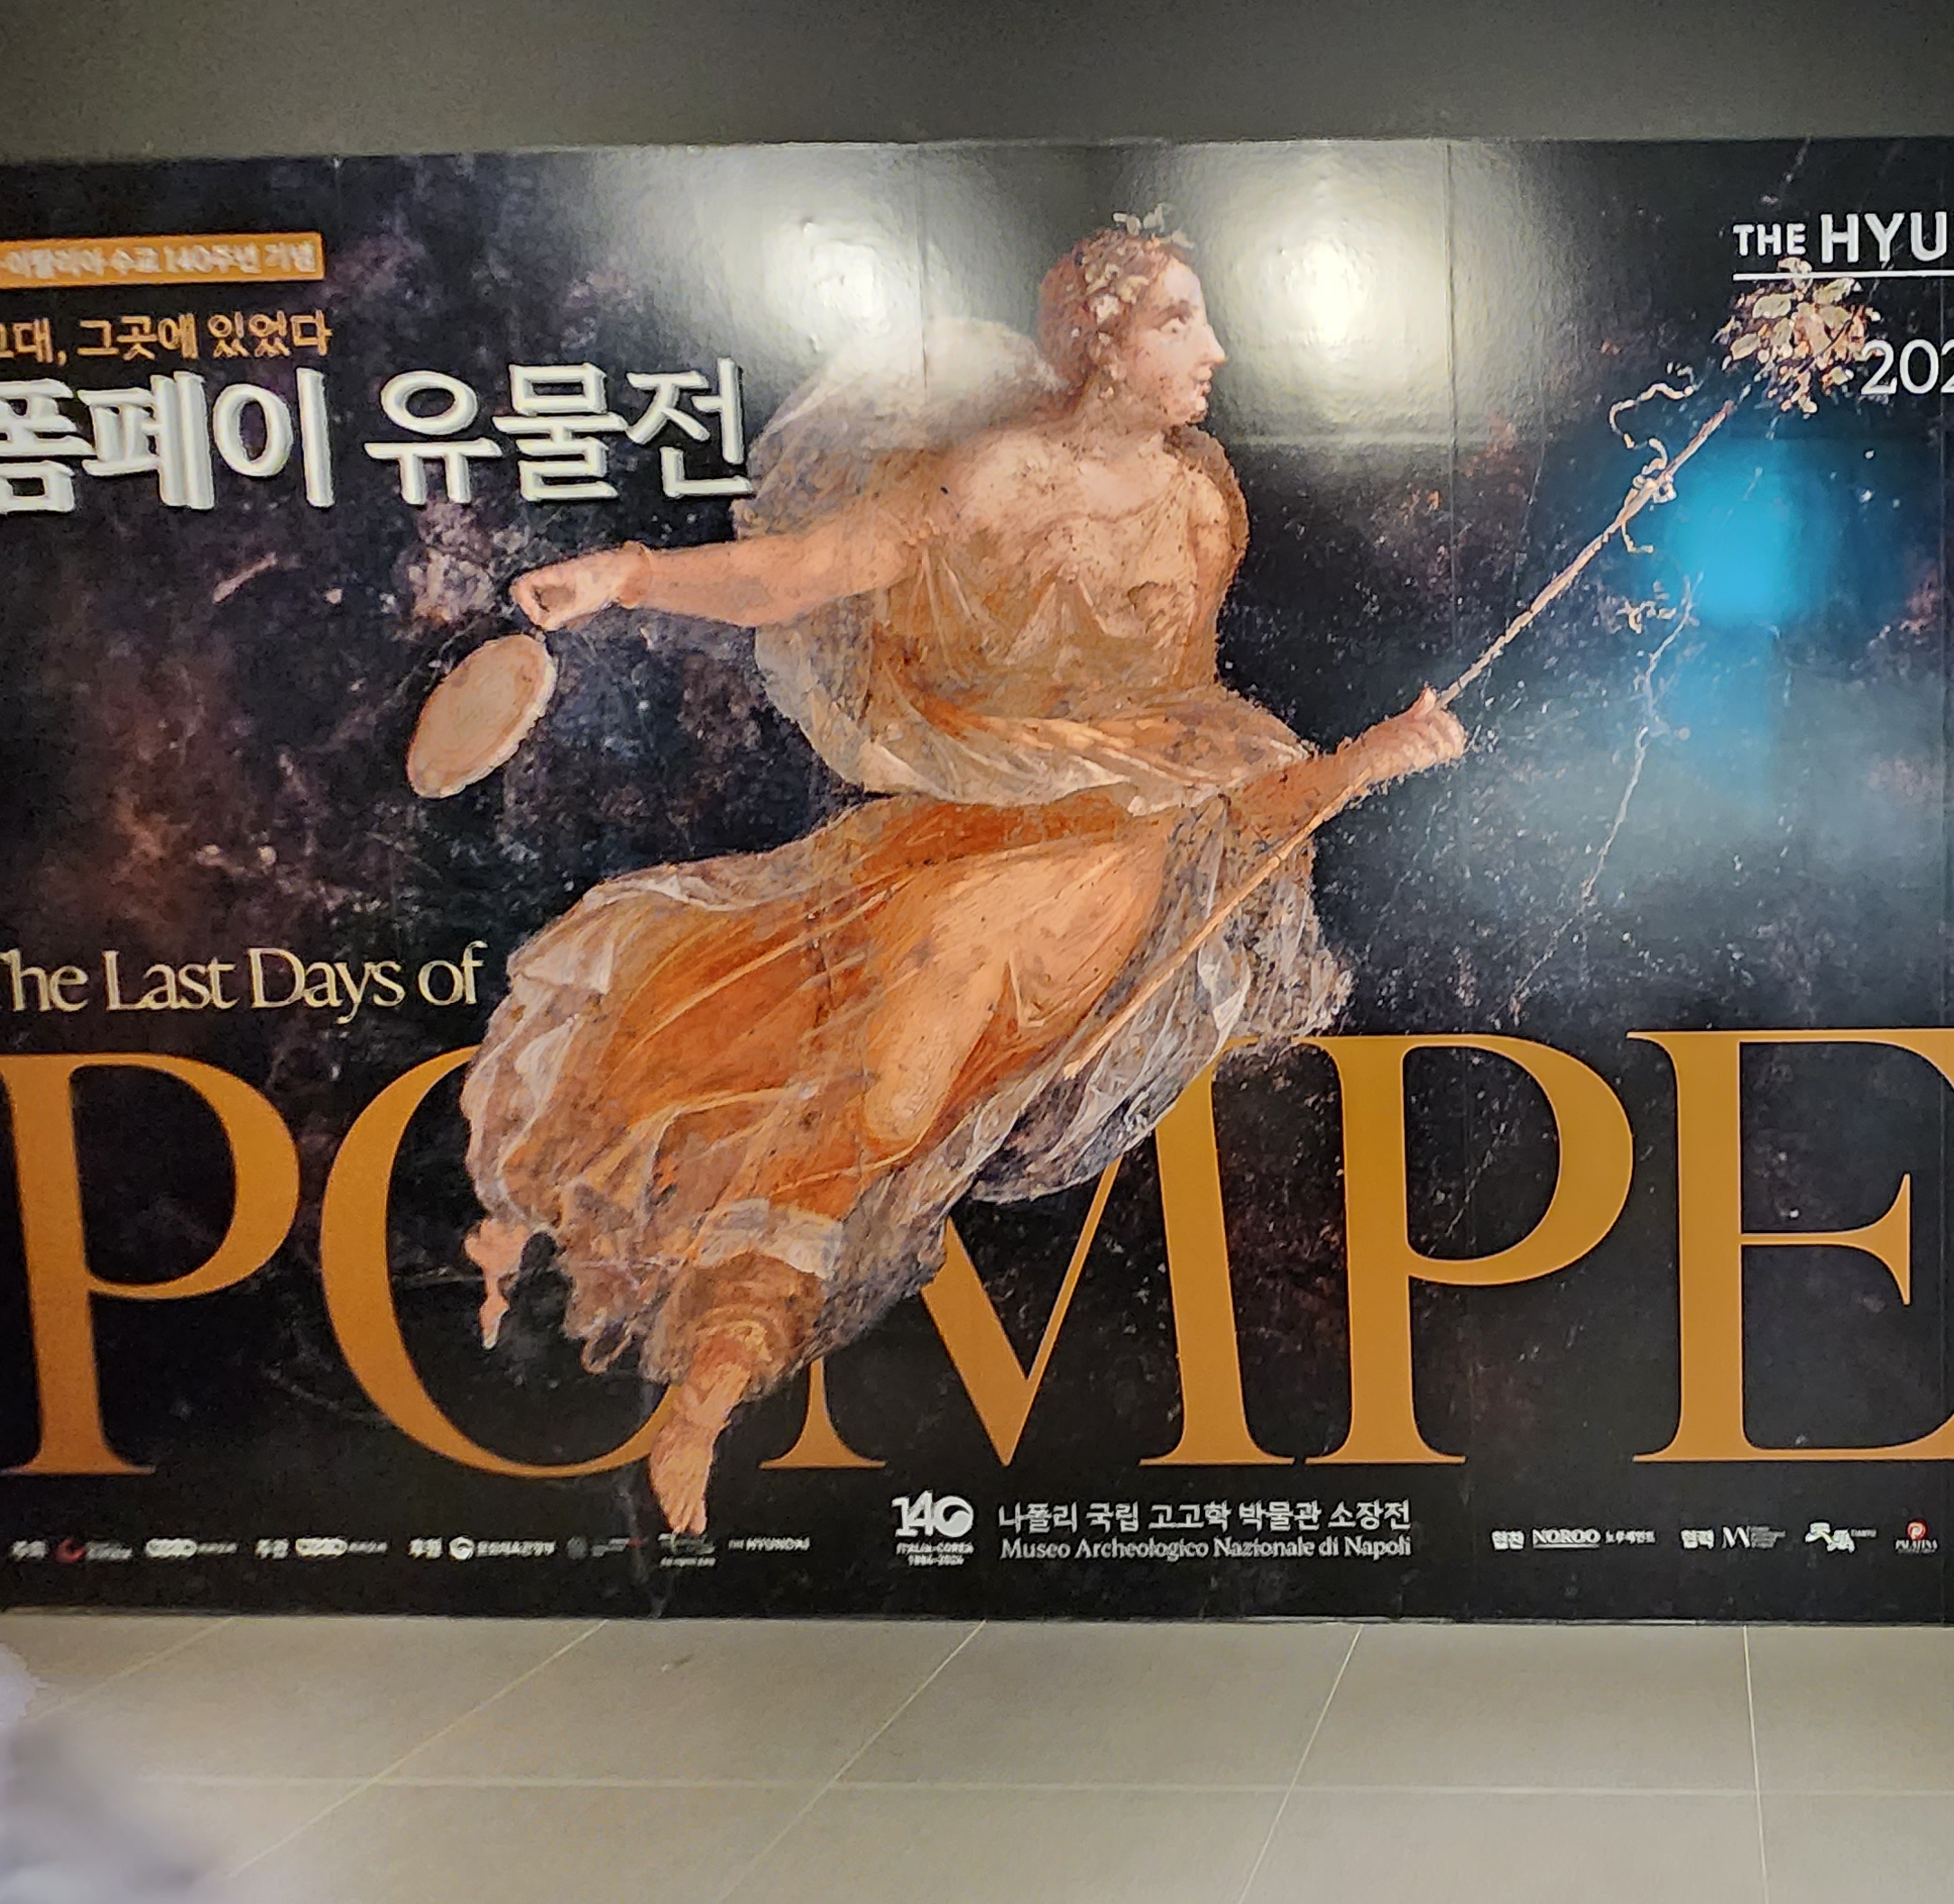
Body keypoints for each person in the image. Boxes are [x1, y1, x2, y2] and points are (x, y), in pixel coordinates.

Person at [472, 225, 1461, 1535]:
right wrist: (632, 574)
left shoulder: (1199, 500)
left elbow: (1194, 744)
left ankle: (715, 1371)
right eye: (1178, 321)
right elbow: (804, 572)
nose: (1215, 351)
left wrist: (1360, 763)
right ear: (1100, 343)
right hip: (974, 832)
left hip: (1118, 860)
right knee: (837, 1075)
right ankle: (706, 1362)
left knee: (890, 1097)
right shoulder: (992, 476)